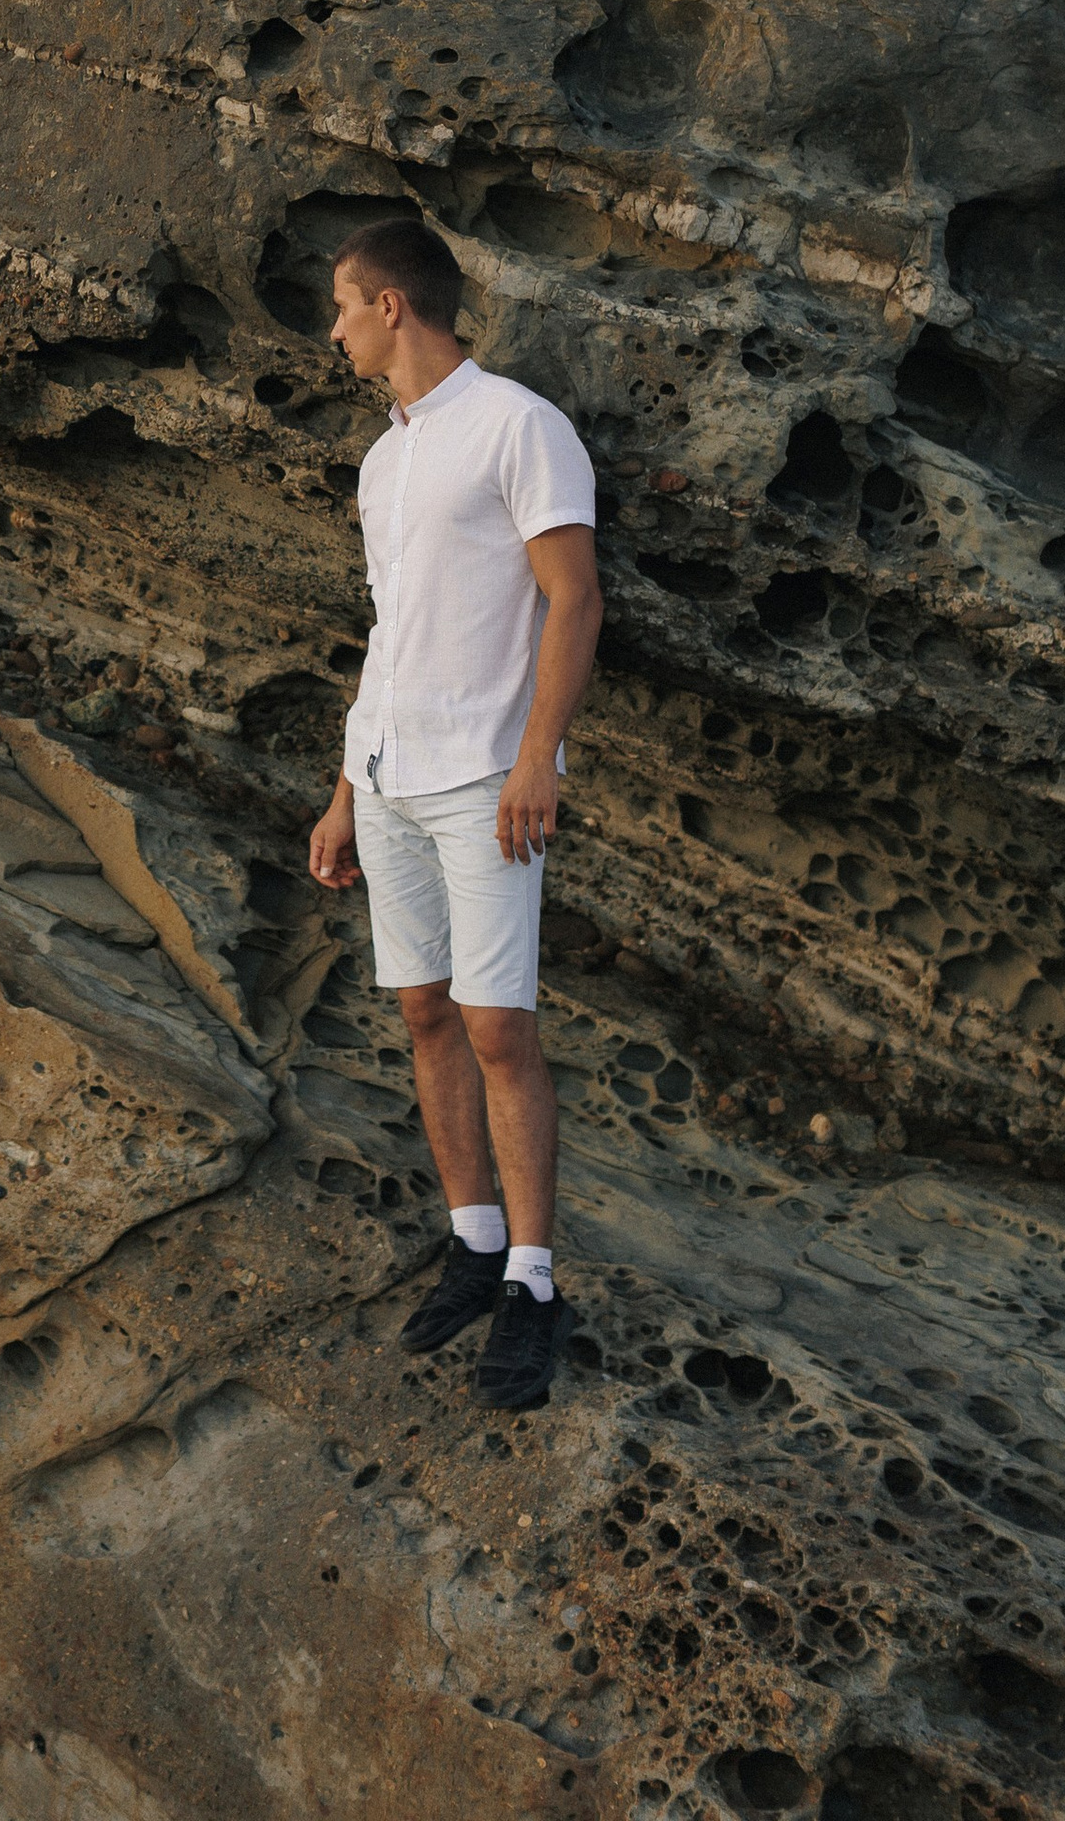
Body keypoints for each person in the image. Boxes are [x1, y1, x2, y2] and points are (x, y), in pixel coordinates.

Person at [306, 216, 602, 1412]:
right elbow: (390, 638)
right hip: (385, 778)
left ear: (394, 307)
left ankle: (534, 1281)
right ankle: (472, 1240)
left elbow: (573, 598)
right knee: (423, 1011)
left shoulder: (519, 426)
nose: (331, 328)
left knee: (497, 1029)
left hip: (487, 777)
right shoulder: (382, 461)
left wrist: (540, 760)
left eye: (341, 303)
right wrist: (340, 788)